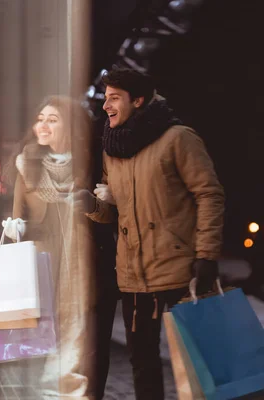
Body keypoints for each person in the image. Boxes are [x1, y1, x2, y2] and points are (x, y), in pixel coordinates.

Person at [78, 68, 225, 400]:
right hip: (133, 277)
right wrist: (89, 205)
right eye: (106, 98)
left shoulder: (178, 138)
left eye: (114, 98)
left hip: (180, 272)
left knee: (197, 366)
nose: (106, 106)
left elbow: (209, 195)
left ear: (138, 100)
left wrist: (206, 255)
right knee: (142, 365)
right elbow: (112, 213)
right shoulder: (111, 149)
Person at [2, 95, 114, 399]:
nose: (43, 125)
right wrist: (14, 228)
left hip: (84, 266)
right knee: (43, 342)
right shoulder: (26, 163)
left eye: (53, 119)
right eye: (40, 119)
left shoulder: (91, 163)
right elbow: (17, 216)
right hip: (42, 265)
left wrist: (92, 205)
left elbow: (108, 214)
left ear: (70, 127)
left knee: (83, 347)